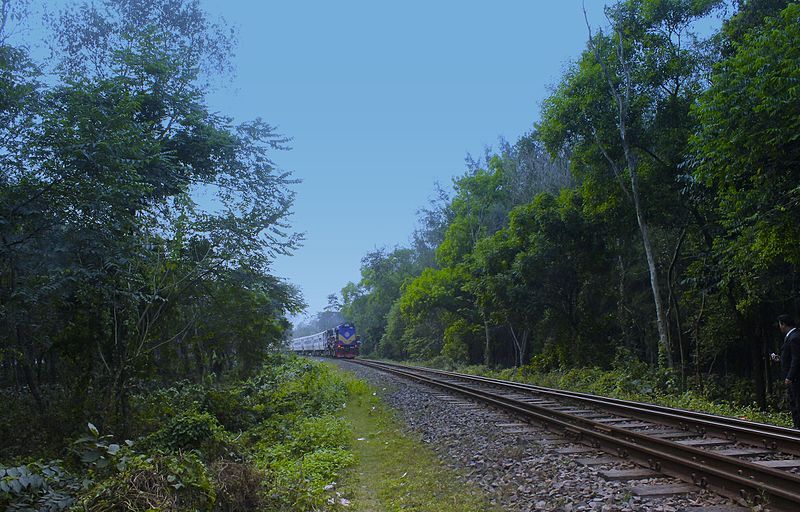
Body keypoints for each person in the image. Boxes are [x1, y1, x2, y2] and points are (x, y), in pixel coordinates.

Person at [773, 314, 800, 428]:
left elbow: (797, 358)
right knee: (794, 402)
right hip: (794, 376)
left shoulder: (794, 337)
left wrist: (790, 376)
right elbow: (792, 357)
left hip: (796, 378)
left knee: (796, 402)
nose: (780, 327)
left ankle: (798, 427)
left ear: (783, 324)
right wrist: (781, 359)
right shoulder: (793, 336)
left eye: (780, 324)